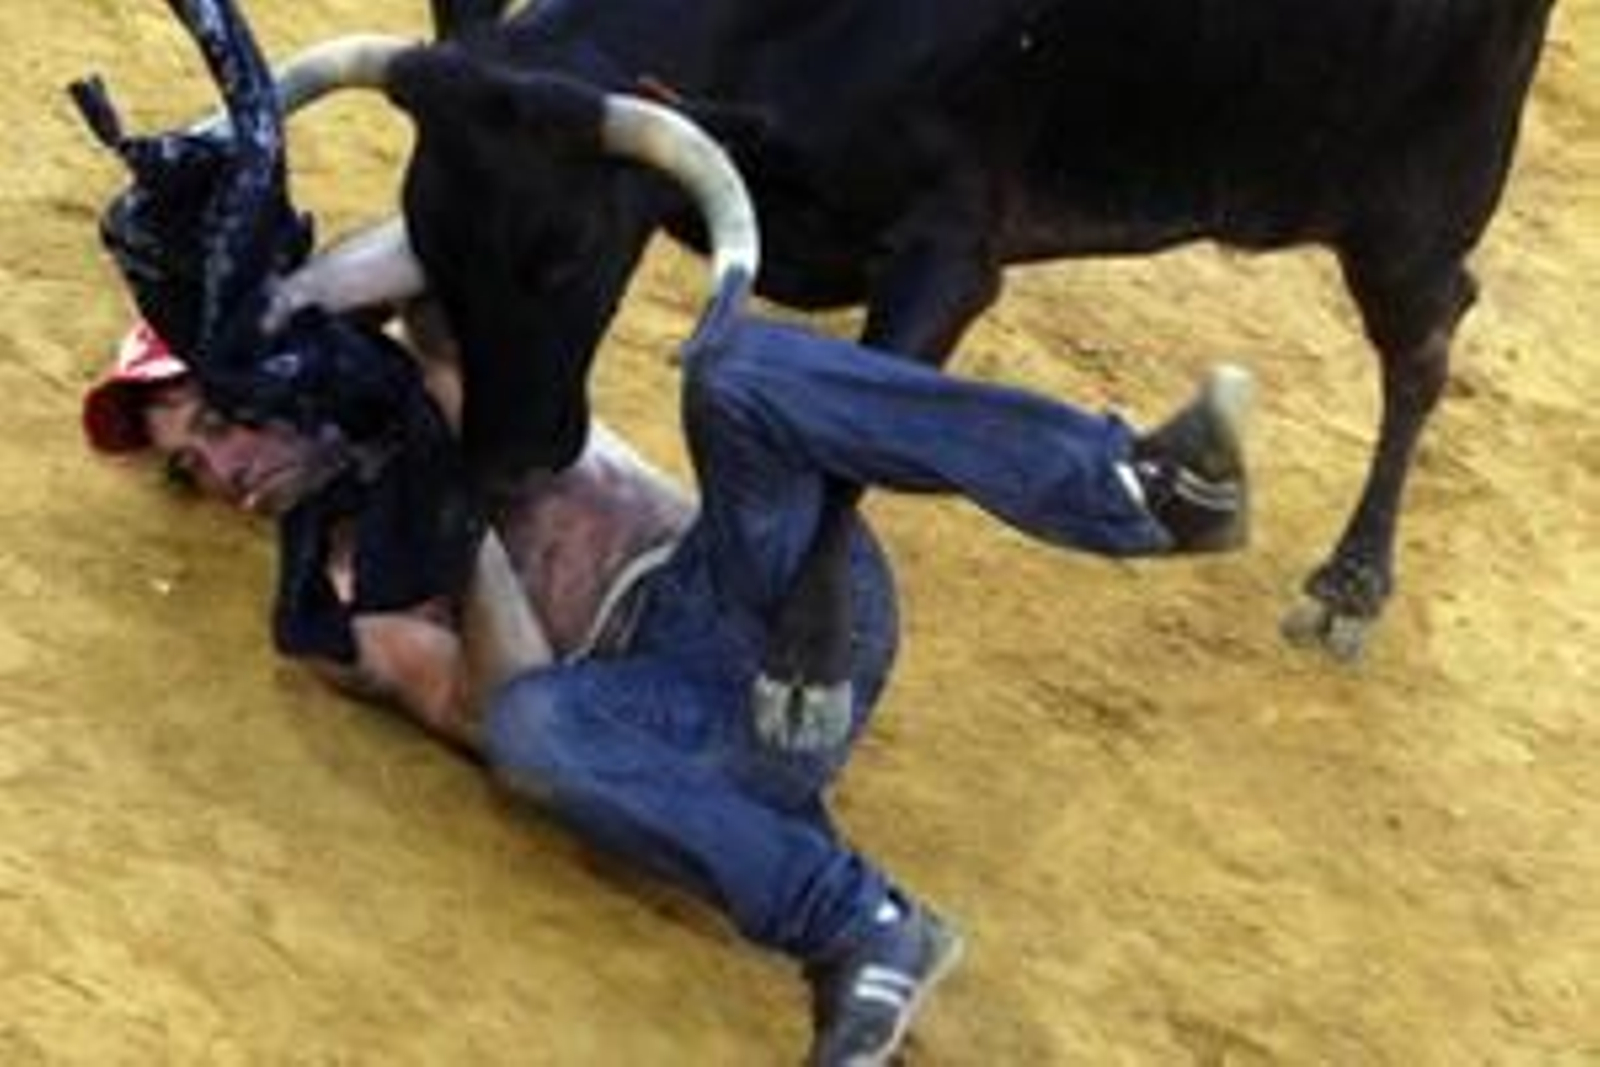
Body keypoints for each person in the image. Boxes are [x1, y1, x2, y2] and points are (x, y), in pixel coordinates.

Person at [84, 307, 1255, 1065]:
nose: (224, 472)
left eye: (225, 421)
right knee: (542, 733)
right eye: (195, 464)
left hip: (784, 599)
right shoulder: (340, 602)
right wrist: (463, 514)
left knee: (736, 366)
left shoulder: (429, 363)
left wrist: (292, 310)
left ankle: (1130, 488)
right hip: (680, 721)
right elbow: (505, 718)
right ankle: (862, 925)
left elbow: (439, 240)